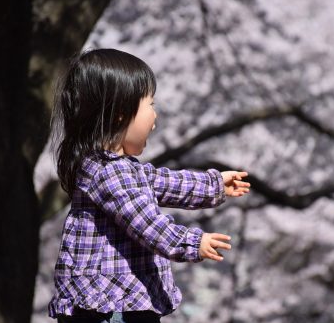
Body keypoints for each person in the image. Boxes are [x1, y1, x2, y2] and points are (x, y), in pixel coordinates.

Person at [48, 48, 250, 323]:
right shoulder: (109, 173)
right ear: (121, 113)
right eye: (150, 104)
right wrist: (191, 242)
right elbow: (146, 223)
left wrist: (213, 184)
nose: (155, 117)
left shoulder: (119, 169)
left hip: (119, 303)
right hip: (110, 307)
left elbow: (165, 182)